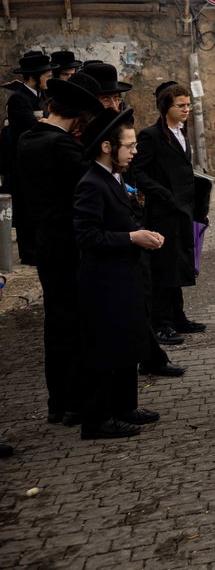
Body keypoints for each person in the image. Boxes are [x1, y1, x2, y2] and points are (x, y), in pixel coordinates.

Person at [12, 72, 105, 427]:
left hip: (46, 243)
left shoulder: (28, 138)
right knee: (77, 323)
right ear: (79, 117)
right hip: (70, 245)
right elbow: (89, 191)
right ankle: (76, 403)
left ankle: (59, 402)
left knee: (57, 324)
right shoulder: (63, 147)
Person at [73, 107, 165, 439]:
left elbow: (125, 221)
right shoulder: (91, 183)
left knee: (128, 341)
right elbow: (86, 236)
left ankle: (126, 406)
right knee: (106, 349)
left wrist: (144, 235)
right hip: (104, 282)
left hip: (125, 276)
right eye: (129, 145)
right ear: (107, 147)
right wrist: (131, 238)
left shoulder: (116, 176)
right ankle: (98, 420)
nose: (134, 151)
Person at [127, 83, 208, 342]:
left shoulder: (182, 132)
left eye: (188, 105)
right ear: (166, 107)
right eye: (180, 105)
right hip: (163, 212)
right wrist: (163, 193)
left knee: (178, 264)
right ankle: (162, 323)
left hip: (183, 211)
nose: (186, 110)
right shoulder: (151, 136)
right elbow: (137, 171)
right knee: (163, 267)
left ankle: (178, 317)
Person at [2, 50, 52, 196]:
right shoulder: (19, 99)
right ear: (32, 77)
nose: (49, 80)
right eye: (46, 76)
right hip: (25, 163)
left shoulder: (42, 96)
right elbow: (32, 128)